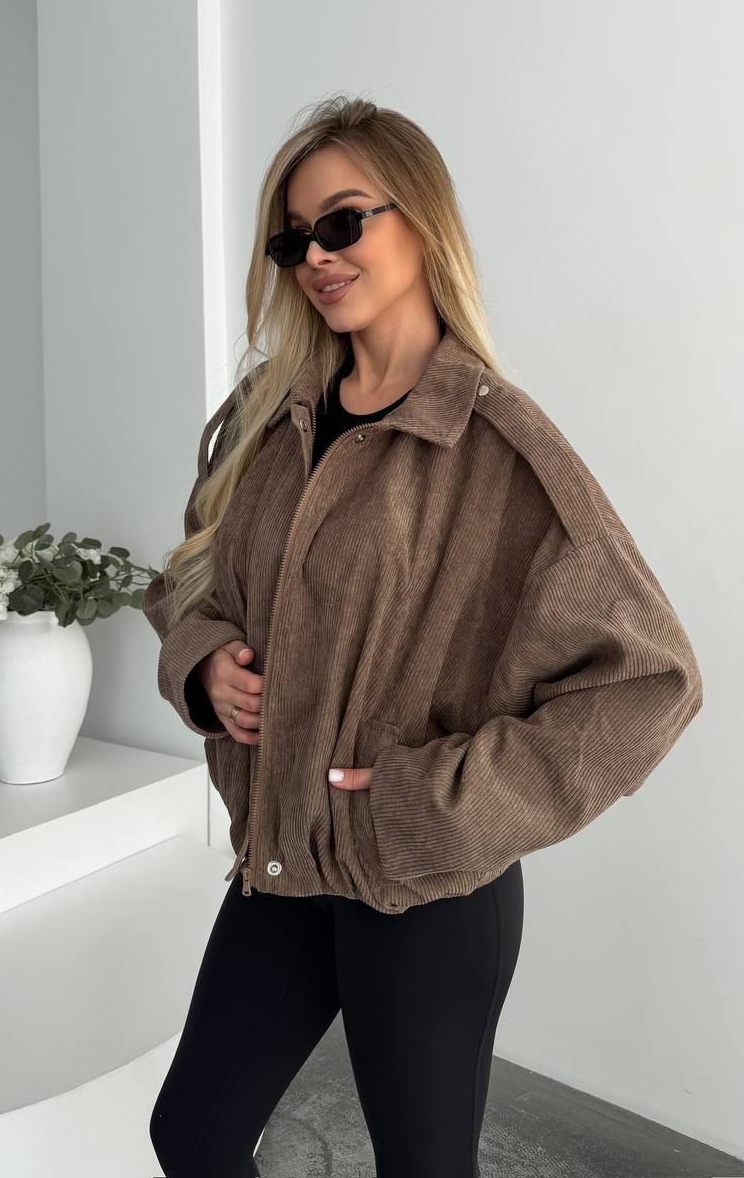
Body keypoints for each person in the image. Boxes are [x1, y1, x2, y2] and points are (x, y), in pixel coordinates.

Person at [144, 95, 703, 1178]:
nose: (316, 255)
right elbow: (187, 577)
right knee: (194, 1135)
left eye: (342, 221)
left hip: (425, 889)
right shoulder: (265, 419)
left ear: (422, 218)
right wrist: (200, 660)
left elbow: (651, 679)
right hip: (283, 859)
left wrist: (430, 800)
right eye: (293, 238)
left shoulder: (497, 446)